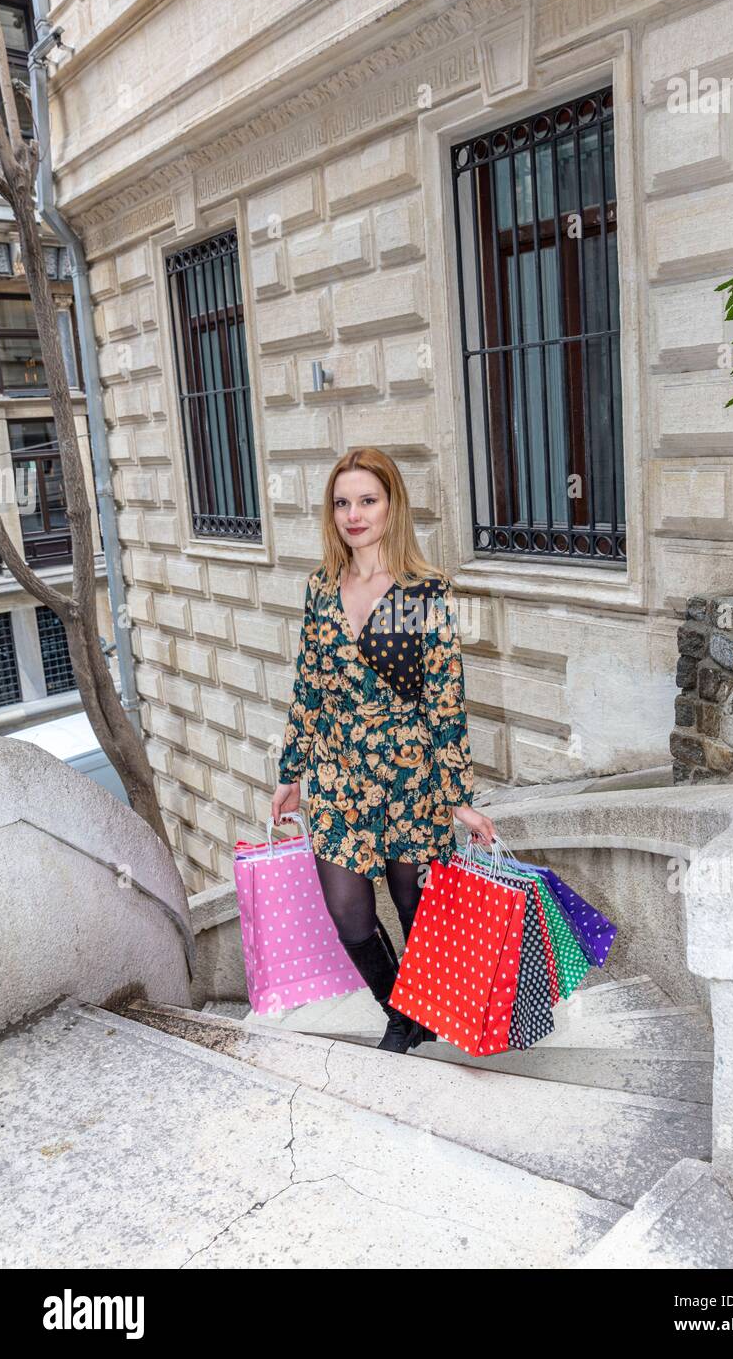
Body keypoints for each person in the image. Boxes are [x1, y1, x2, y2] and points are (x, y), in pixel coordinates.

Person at [270, 447, 497, 1054]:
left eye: (367, 500)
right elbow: (309, 685)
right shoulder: (320, 588)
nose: (353, 514)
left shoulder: (427, 591)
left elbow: (446, 702)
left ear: (391, 505)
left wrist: (459, 801)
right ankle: (400, 1013)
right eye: (342, 503)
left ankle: (427, 1010)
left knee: (415, 904)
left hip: (410, 776)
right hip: (339, 775)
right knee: (349, 913)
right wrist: (291, 773)